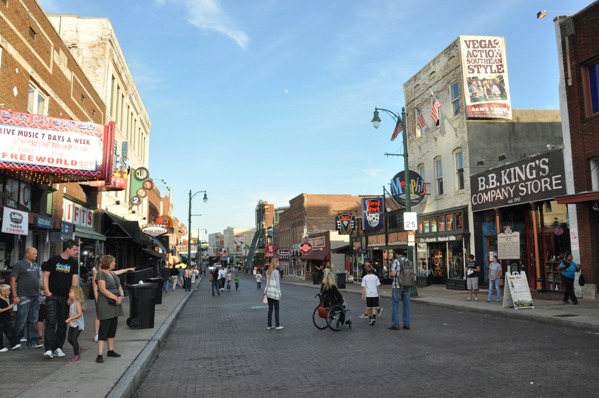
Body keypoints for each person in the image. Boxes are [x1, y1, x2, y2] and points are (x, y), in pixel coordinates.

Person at [43, 239, 79, 359]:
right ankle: (49, 348)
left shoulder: (74, 263)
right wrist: (47, 291)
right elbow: (45, 275)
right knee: (50, 321)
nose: (77, 252)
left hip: (65, 297)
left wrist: (72, 294)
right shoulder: (53, 260)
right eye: (74, 249)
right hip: (52, 295)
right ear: (67, 249)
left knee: (63, 322)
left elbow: (75, 280)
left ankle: (59, 347)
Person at [10, 247, 43, 348]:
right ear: (27, 254)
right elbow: (12, 280)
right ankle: (14, 341)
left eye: (36, 254)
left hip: (35, 296)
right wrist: (15, 295)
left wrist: (39, 294)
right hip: (24, 296)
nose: (36, 255)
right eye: (34, 254)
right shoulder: (19, 265)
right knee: (21, 319)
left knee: (33, 320)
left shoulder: (37, 266)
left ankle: (32, 342)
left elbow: (38, 280)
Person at [95, 255, 125, 364]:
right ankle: (100, 354)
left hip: (115, 302)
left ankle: (110, 350)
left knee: (113, 327)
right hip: (105, 303)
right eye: (113, 262)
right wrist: (115, 297)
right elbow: (102, 289)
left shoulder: (112, 273)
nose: (115, 263)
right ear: (108, 262)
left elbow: (119, 286)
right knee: (104, 327)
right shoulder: (101, 274)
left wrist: (121, 296)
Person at [389, 250, 411, 330]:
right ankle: (406, 324)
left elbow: (393, 273)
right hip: (407, 285)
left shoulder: (396, 261)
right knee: (406, 305)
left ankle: (395, 324)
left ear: (397, 254)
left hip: (397, 285)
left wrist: (391, 273)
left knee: (395, 304)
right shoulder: (409, 261)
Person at [0, 284, 22, 352]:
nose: (9, 292)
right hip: (1, 320)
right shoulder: (1, 300)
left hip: (7, 319)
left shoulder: (6, 298)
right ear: (3, 292)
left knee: (11, 331)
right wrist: (9, 307)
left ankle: (14, 344)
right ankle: (0, 347)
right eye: (8, 291)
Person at [65, 286, 85, 362]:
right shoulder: (71, 302)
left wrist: (70, 318)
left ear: (76, 294)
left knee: (74, 338)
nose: (69, 293)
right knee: (70, 339)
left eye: (71, 292)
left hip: (78, 324)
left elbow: (80, 314)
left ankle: (76, 354)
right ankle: (78, 347)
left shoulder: (77, 303)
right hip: (72, 324)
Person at [265, 259, 283, 330]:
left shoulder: (267, 272)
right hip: (274, 293)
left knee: (270, 309)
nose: (278, 264)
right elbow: (277, 284)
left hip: (269, 293)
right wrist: (279, 292)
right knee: (276, 309)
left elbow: (267, 283)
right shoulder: (276, 272)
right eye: (278, 263)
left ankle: (269, 325)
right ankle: (277, 325)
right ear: (274, 263)